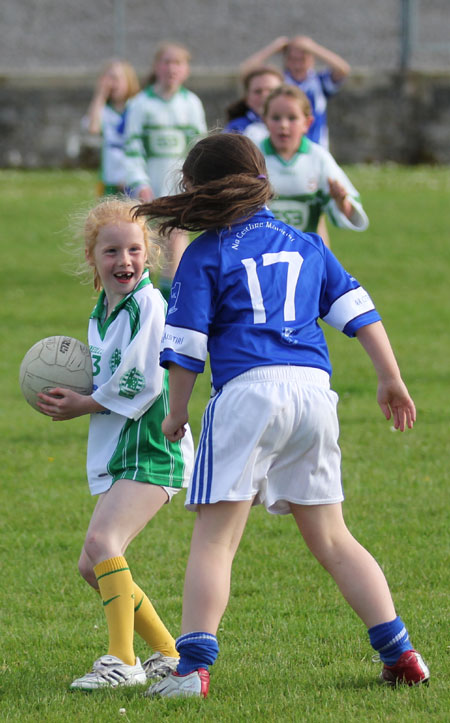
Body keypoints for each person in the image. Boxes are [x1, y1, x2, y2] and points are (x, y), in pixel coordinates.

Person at [133, 133, 429, 698]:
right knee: (334, 538)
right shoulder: (304, 243)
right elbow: (358, 310)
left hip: (248, 393)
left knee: (215, 538)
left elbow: (187, 343)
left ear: (203, 189)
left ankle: (192, 669)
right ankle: (402, 654)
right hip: (315, 393)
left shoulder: (207, 252)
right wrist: (390, 377)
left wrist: (176, 411)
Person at [37, 197, 194, 690]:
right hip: (123, 448)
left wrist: (84, 403)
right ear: (93, 258)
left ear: (148, 254)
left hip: (153, 446)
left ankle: (122, 660)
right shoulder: (102, 312)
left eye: (133, 250)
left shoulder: (148, 304)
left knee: (102, 544)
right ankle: (169, 654)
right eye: (111, 252)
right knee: (93, 564)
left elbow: (143, 381)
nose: (123, 261)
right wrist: (75, 393)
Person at [124, 41, 207, 300]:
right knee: (142, 244)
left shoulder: (191, 103)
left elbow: (199, 147)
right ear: (156, 67)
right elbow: (132, 148)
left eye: (178, 63)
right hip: (149, 186)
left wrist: (193, 184)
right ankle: (138, 298)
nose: (172, 68)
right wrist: (140, 183)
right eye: (167, 62)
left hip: (179, 188)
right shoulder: (140, 104)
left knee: (177, 240)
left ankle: (171, 299)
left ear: (186, 70)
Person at [260, 85, 368, 241]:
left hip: (304, 255)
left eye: (292, 118)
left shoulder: (318, 158)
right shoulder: (253, 156)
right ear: (265, 121)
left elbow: (352, 214)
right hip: (263, 254)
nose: (283, 125)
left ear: (307, 123)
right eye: (276, 118)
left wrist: (341, 201)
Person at [240, 35, 350, 150]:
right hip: (283, 147)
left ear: (311, 60)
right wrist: (273, 48)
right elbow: (245, 72)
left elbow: (343, 70)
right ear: (286, 61)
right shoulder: (279, 82)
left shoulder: (319, 81)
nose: (297, 65)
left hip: (315, 145)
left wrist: (313, 48)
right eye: (292, 59)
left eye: (302, 59)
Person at [84, 59, 140, 196]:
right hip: (110, 181)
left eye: (115, 78)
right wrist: (100, 94)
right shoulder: (104, 110)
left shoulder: (137, 106)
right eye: (107, 79)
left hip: (133, 180)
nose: (111, 84)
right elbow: (93, 128)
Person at [223, 66, 283, 145]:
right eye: (258, 91)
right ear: (247, 98)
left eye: (271, 90)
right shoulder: (236, 129)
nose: (265, 96)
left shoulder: (298, 125)